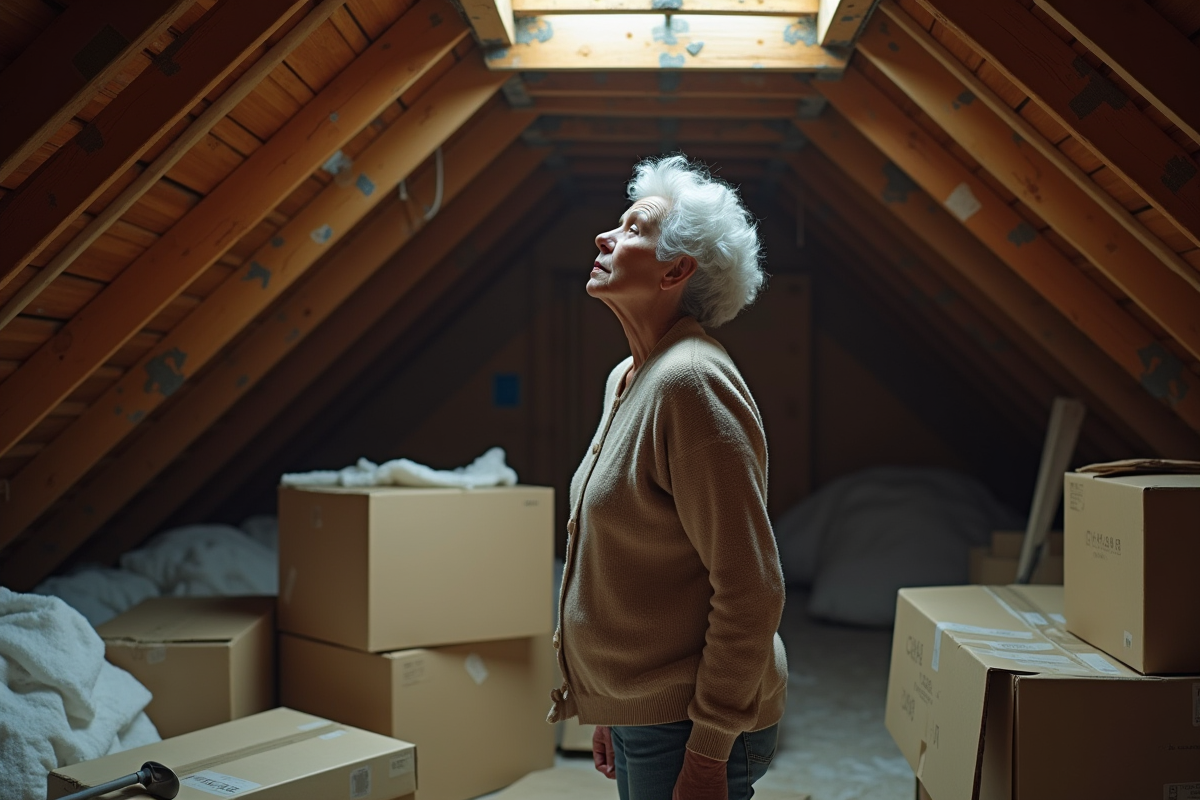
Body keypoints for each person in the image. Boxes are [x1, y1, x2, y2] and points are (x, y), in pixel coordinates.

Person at [547, 154, 788, 800]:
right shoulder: (627, 379)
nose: (605, 236)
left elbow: (751, 587)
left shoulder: (692, 383)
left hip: (689, 723)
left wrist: (708, 753)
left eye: (632, 229)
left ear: (676, 270)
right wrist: (609, 706)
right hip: (647, 712)